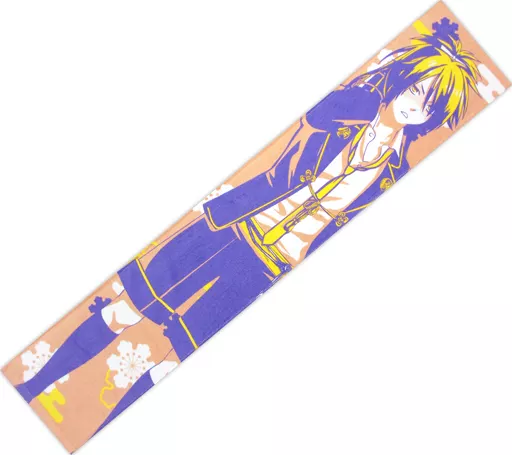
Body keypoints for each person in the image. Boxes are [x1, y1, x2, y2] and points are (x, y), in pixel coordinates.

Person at [16, 18, 481, 432]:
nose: (415, 107)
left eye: (429, 105)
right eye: (415, 90)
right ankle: (32, 387)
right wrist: (375, 90)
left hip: (268, 266)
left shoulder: (395, 170)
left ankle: (94, 428)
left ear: (434, 117)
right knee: (128, 309)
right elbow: (315, 118)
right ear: (400, 81)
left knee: (174, 358)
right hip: (232, 226)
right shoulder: (350, 109)